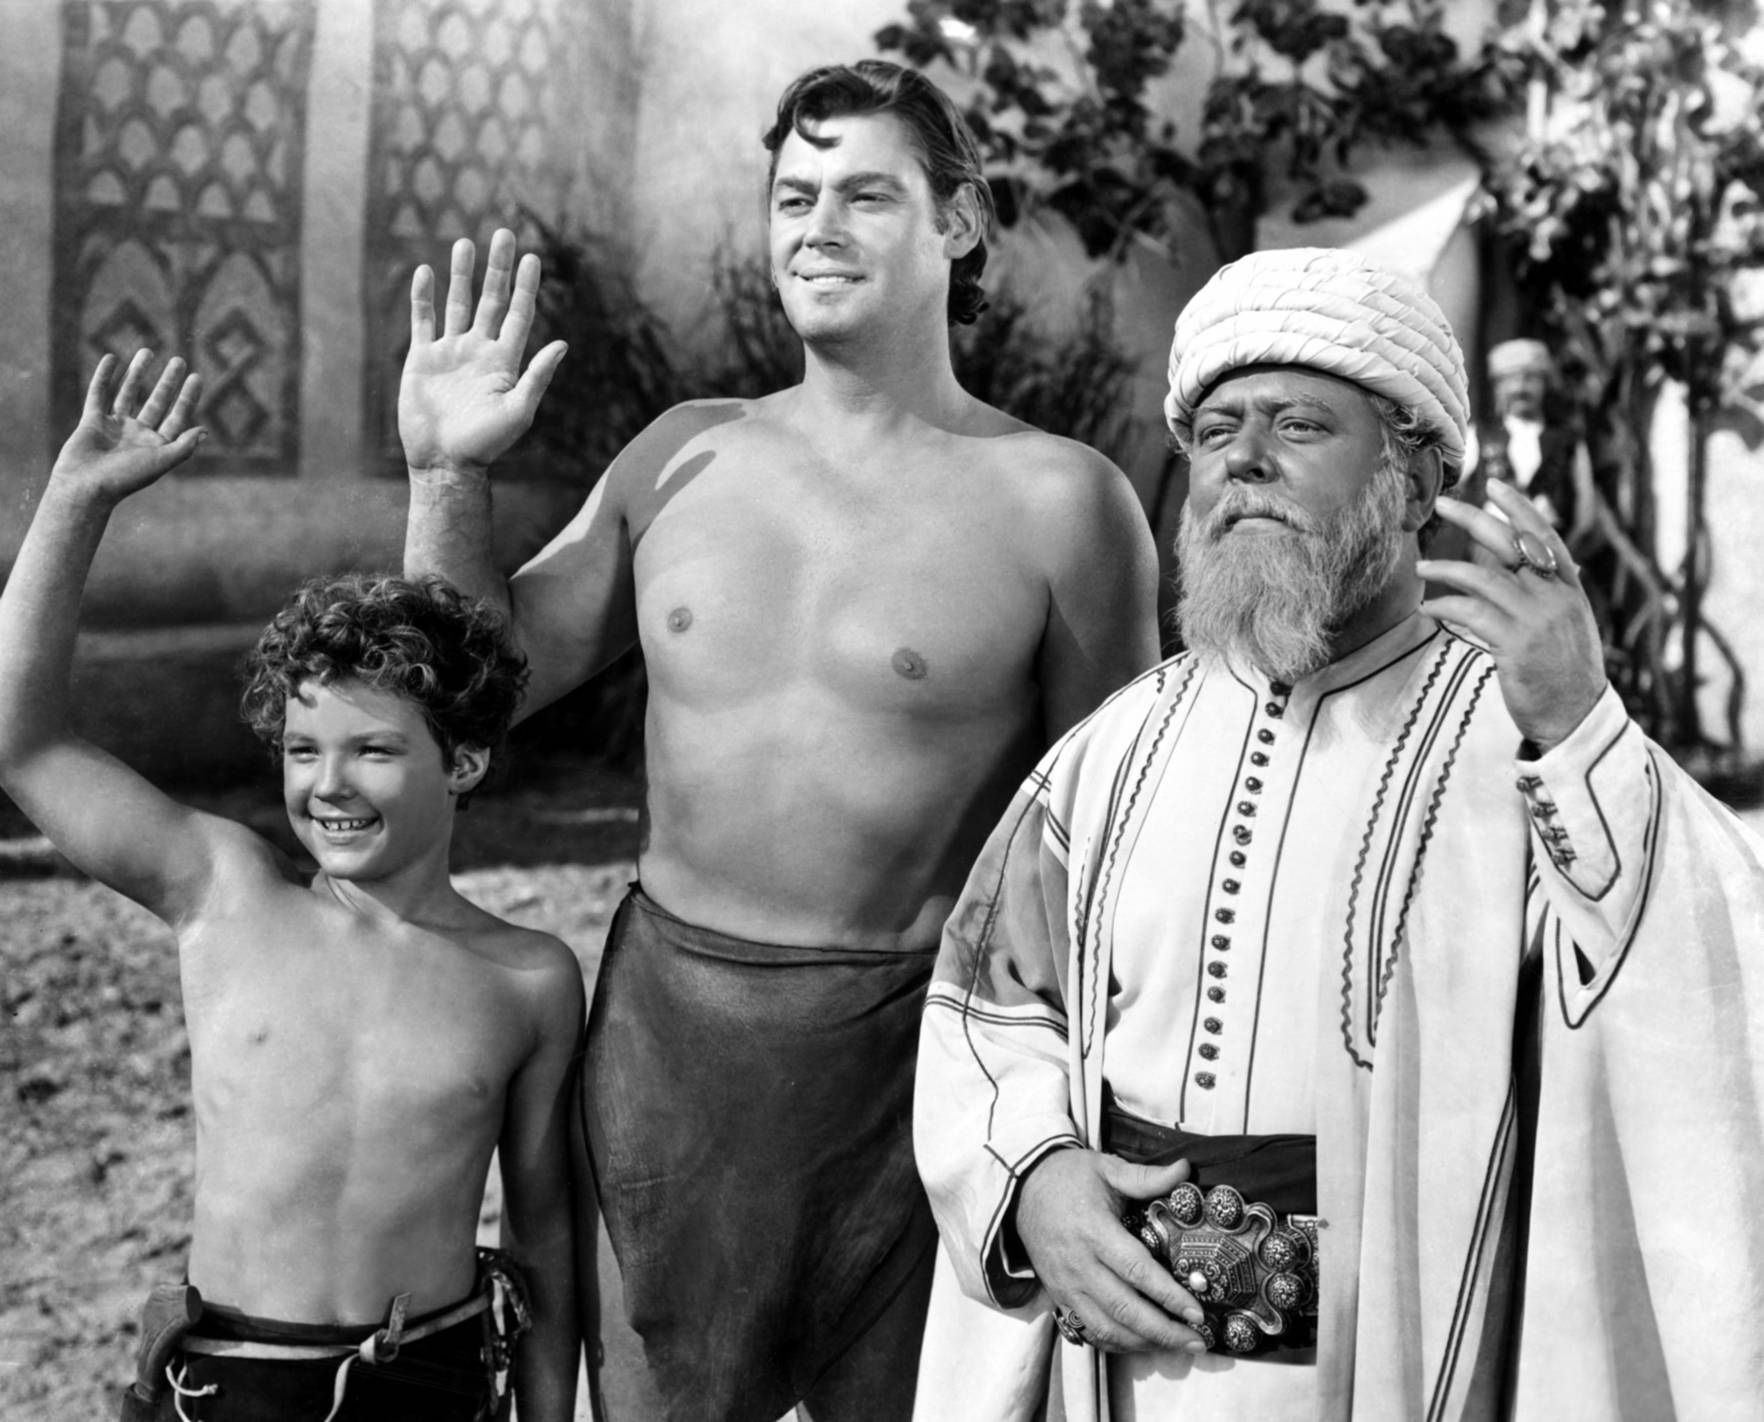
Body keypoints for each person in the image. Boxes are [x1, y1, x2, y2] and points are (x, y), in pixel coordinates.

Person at [396, 58, 1160, 1422]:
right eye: (794, 197)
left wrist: (1069, 1125)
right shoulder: (679, 458)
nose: (818, 227)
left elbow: (1121, 851)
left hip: (917, 1064)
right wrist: (448, 471)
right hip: (674, 1055)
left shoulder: (1063, 502)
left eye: (866, 195)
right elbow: (474, 688)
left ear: (959, 220)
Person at [913, 246, 1764, 1420]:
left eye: (1301, 425)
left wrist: (1584, 733)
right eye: (1216, 432)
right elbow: (987, 1012)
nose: (1245, 460)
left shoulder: (1526, 745)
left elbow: (1705, 987)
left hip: (1407, 1373)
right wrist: (1037, 1178)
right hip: (1121, 1370)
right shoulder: (1109, 756)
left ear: (1414, 486)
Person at [0, 352, 584, 1421]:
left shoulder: (529, 980)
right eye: (303, 749)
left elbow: (543, 1235)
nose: (328, 785)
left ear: (462, 762)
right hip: (226, 1385)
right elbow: (21, 744)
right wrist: (77, 500)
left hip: (429, 1387)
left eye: (373, 751)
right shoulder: (225, 895)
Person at [1464, 336, 1597, 548]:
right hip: (1489, 552)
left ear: (1545, 384)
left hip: (1550, 552)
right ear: (1498, 387)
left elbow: (1586, 512)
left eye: (1530, 379)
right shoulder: (1479, 435)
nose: (1520, 388)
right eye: (1510, 379)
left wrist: (1565, 552)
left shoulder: (1567, 440)